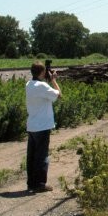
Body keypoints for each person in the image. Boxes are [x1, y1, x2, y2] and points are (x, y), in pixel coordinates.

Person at [25, 61, 63, 192]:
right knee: (42, 156)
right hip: (42, 126)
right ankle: (40, 184)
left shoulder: (29, 84)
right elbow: (59, 95)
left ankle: (31, 183)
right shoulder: (42, 86)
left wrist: (46, 78)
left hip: (32, 125)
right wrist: (53, 80)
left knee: (31, 156)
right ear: (42, 72)